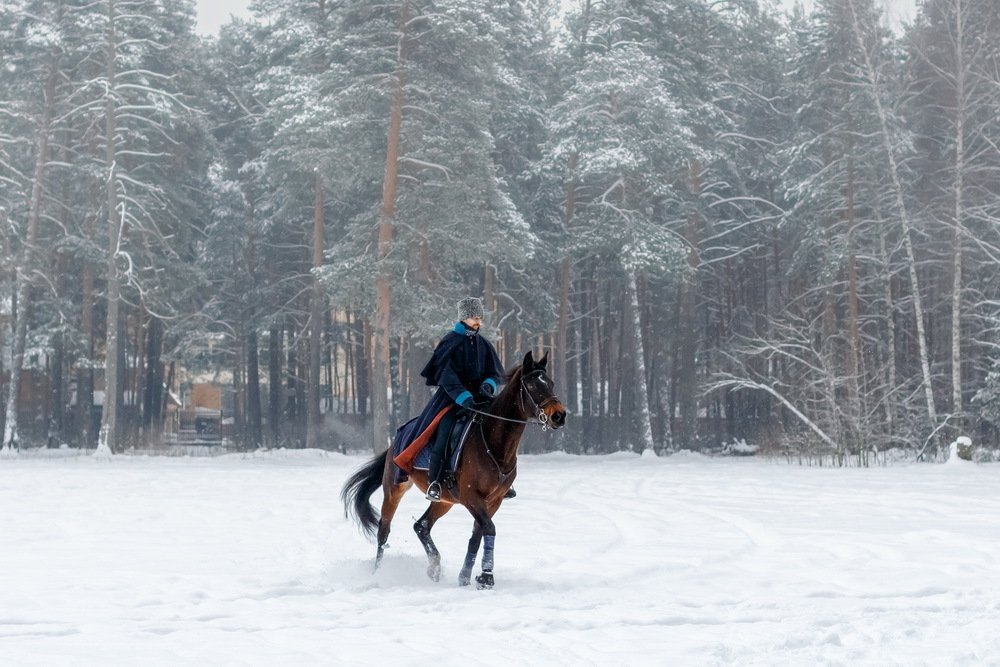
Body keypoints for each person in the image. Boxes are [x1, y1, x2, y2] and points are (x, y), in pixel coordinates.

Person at [420, 296, 505, 501]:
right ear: (464, 318)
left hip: (481, 399)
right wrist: (464, 396)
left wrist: (488, 385)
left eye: (479, 317)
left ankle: (501, 481)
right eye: (474, 317)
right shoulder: (450, 342)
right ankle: (435, 482)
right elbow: (445, 376)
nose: (478, 321)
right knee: (445, 433)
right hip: (451, 400)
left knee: (499, 430)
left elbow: (495, 373)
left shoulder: (483, 344)